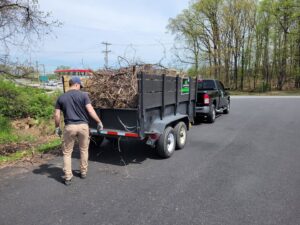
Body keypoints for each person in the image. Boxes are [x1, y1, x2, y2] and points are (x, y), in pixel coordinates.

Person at [54, 76, 103, 186]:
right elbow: (90, 111)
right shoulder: (84, 95)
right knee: (84, 150)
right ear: (76, 84)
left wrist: (57, 127)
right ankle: (83, 172)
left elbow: (57, 115)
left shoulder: (61, 97)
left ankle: (67, 177)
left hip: (70, 126)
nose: (80, 88)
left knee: (67, 153)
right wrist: (99, 122)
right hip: (83, 127)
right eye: (80, 86)